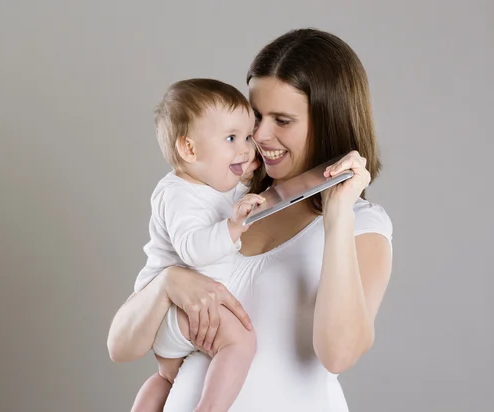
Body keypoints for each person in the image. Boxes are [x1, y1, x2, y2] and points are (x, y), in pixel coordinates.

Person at [108, 28, 394, 411]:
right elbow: (121, 345)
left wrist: (337, 211)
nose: (259, 134)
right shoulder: (225, 204)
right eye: (256, 115)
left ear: (328, 120)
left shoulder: (361, 225)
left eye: (283, 120)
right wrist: (168, 284)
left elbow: (338, 354)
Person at [130, 78, 266, 412]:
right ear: (189, 149)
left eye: (248, 136)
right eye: (232, 138)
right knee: (240, 342)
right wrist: (234, 225)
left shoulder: (215, 183)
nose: (246, 148)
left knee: (168, 380)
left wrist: (245, 176)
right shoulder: (177, 193)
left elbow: (234, 191)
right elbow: (192, 249)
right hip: (170, 307)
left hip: (182, 313)